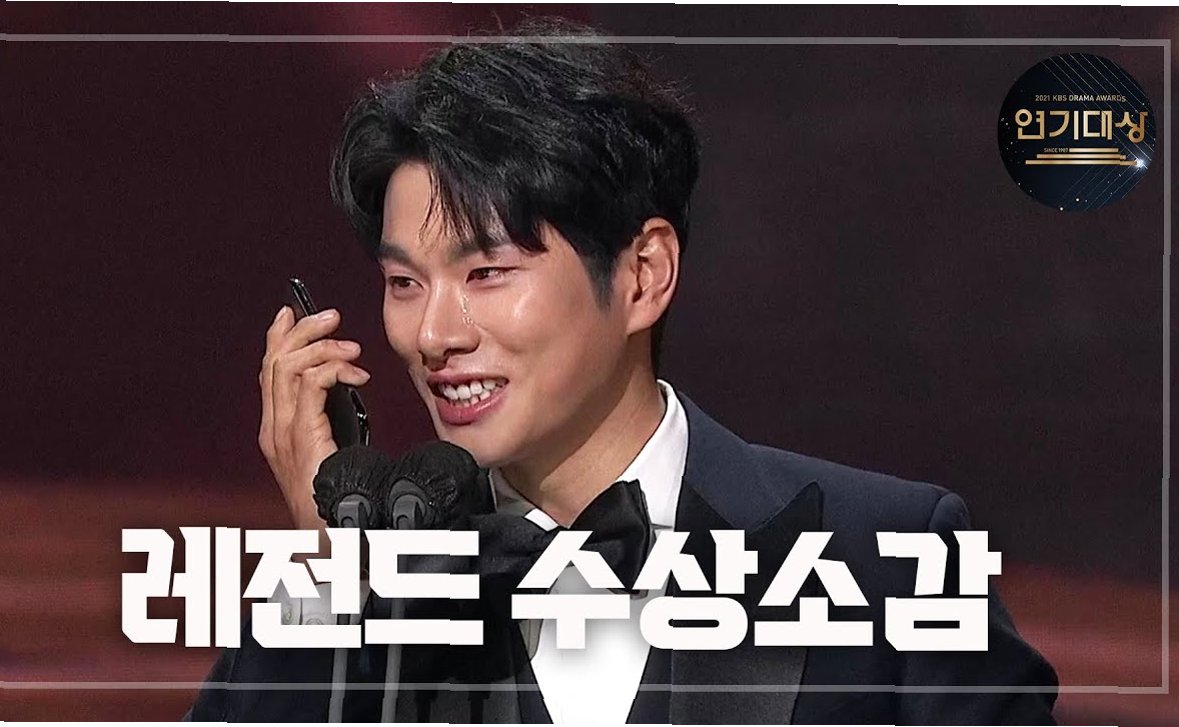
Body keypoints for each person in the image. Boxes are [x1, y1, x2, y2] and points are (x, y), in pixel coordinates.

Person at [187, 18, 1058, 724]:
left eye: (487, 272)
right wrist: (331, 579)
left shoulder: (889, 557)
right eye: (404, 283)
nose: (433, 334)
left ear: (642, 274)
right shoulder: (370, 589)